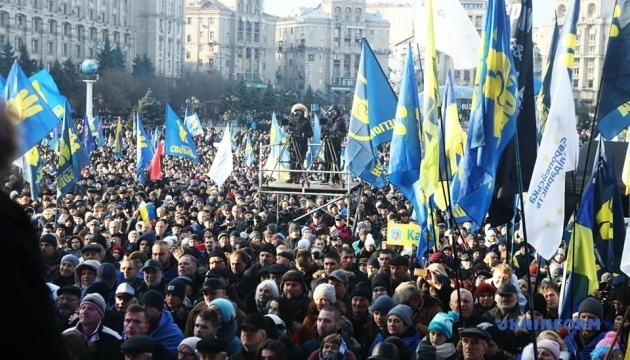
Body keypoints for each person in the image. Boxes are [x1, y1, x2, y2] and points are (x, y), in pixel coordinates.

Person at [63, 293, 124, 360]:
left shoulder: (114, 339)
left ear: (101, 315)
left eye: (90, 309)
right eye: (83, 308)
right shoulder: (66, 335)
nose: (85, 312)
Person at [284, 103, 313, 184]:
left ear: (302, 112)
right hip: (293, 143)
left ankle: (297, 177)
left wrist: (304, 134)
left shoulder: (306, 121)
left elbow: (310, 133)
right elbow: (288, 130)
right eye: (296, 111)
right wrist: (288, 129)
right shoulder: (291, 120)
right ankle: (291, 177)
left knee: (300, 161)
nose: (297, 113)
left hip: (302, 144)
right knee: (292, 161)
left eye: (299, 111)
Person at [320, 105, 346, 185]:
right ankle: (326, 177)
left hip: (336, 142)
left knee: (336, 160)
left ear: (338, 112)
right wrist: (323, 135)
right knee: (327, 160)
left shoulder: (341, 121)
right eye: (332, 111)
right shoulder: (328, 120)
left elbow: (343, 132)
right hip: (327, 142)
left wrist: (336, 134)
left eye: (335, 111)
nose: (333, 113)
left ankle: (337, 177)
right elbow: (323, 130)